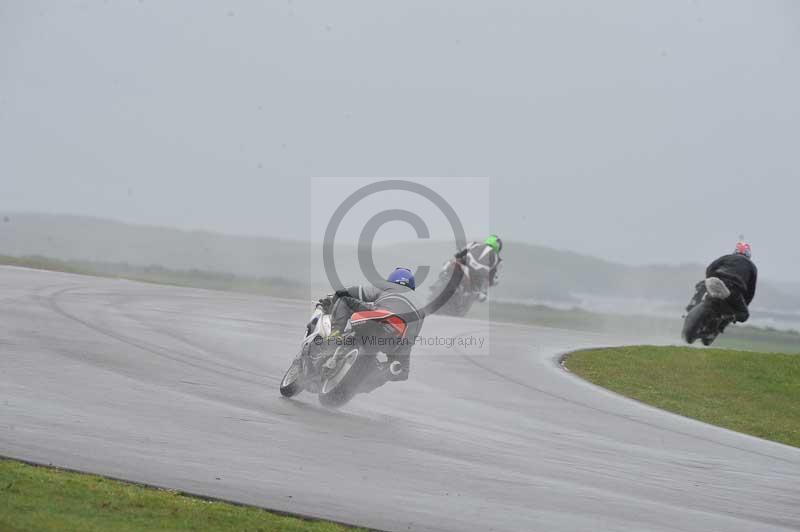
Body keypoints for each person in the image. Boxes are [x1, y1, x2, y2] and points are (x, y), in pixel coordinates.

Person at [322, 267, 424, 382]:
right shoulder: (420, 307)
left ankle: (334, 336)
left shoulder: (387, 286)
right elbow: (411, 338)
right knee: (399, 371)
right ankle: (362, 384)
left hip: (378, 319)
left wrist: (333, 300)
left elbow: (351, 292)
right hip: (397, 338)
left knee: (345, 299)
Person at [686, 240, 757, 333]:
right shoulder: (752, 267)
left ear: (735, 251)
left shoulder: (726, 257)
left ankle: (692, 306)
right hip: (734, 290)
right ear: (748, 254)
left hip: (716, 281)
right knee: (744, 315)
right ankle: (727, 319)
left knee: (701, 285)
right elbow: (751, 291)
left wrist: (709, 278)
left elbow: (710, 268)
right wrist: (743, 305)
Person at [453, 234, 503, 301]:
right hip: (477, 275)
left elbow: (459, 253)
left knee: (451, 263)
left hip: (465, 265)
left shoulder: (475, 244)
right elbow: (492, 274)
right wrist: (491, 282)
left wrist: (457, 257)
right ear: (498, 247)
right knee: (481, 293)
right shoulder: (497, 258)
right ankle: (478, 293)